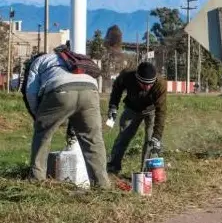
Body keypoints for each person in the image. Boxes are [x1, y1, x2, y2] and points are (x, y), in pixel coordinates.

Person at [22, 49, 110, 188]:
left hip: (60, 89)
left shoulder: (38, 61)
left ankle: (36, 179)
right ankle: (102, 185)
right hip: (90, 90)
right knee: (93, 139)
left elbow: (31, 92)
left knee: (42, 135)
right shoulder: (70, 57)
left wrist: (38, 117)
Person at [107, 62, 167, 174]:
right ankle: (113, 166)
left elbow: (161, 112)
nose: (147, 87)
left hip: (151, 110)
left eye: (150, 84)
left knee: (150, 140)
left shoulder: (160, 84)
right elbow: (117, 88)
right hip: (132, 108)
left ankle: (146, 172)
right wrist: (113, 106)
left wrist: (157, 136)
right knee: (123, 136)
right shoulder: (127, 75)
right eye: (144, 84)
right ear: (137, 79)